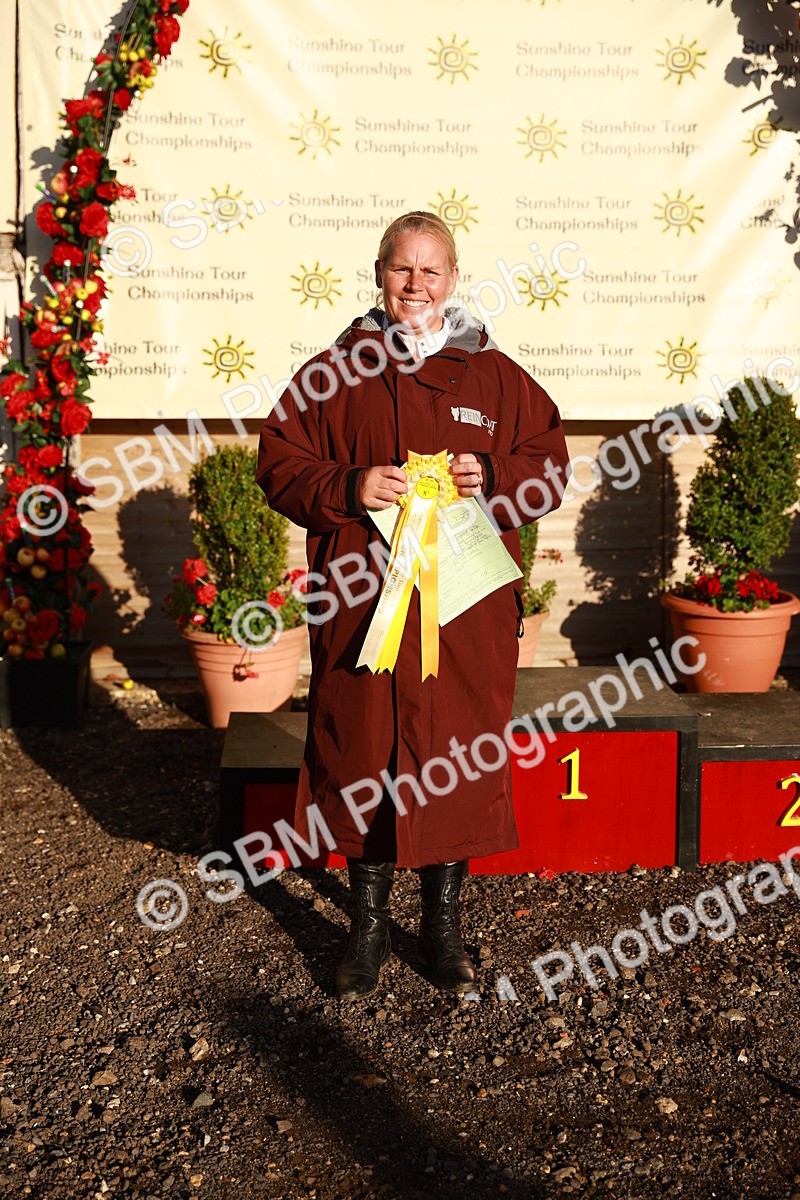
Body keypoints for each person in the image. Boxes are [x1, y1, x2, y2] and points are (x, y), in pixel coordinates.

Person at [257, 211, 568, 1001]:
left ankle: (443, 929)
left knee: (456, 754)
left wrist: (494, 478)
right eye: (403, 268)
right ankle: (364, 932)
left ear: (454, 279)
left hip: (462, 613)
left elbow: (551, 464)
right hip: (365, 604)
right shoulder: (333, 372)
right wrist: (347, 486)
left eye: (432, 270)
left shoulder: (497, 378)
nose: (417, 284)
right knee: (363, 749)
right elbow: (280, 463)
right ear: (379, 273)